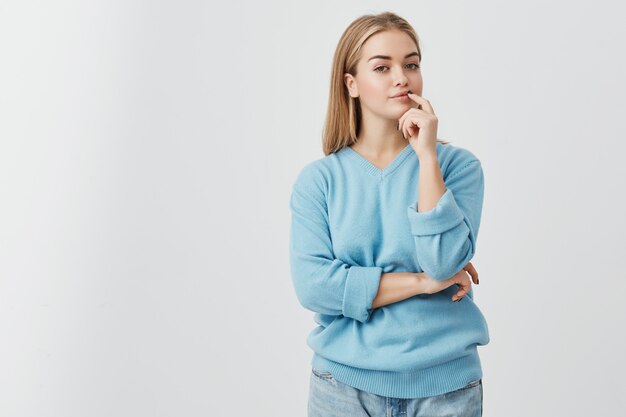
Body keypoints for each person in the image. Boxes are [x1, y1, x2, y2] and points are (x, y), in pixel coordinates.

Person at [288, 11, 489, 417]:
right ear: (351, 84)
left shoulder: (458, 168)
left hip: (446, 387)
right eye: (382, 67)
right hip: (342, 387)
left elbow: (444, 260)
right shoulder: (319, 181)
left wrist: (427, 157)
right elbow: (315, 287)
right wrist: (420, 282)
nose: (402, 77)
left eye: (411, 64)